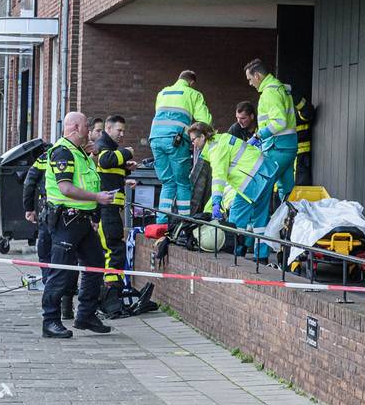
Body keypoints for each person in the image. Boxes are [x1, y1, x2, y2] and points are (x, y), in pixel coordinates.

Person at [41, 112, 116, 338]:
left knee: (95, 264)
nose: (90, 130)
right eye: (86, 126)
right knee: (61, 272)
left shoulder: (80, 154)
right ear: (75, 127)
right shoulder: (62, 152)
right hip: (65, 220)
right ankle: (50, 320)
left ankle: (86, 315)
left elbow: (87, 180)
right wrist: (97, 198)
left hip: (82, 221)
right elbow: (66, 189)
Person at [187, 121, 275, 260]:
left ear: (203, 137)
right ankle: (261, 257)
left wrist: (216, 202)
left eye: (193, 140)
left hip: (252, 180)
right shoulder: (222, 138)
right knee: (260, 219)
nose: (193, 144)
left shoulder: (215, 149)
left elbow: (218, 177)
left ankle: (236, 254)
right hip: (266, 171)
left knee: (234, 221)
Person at [148, 70, 210, 223]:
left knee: (167, 183)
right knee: (182, 183)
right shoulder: (193, 94)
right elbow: (204, 121)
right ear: (191, 83)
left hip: (155, 139)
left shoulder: (163, 93)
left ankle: (162, 223)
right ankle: (183, 223)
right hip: (176, 141)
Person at [24, 143, 75, 320]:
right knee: (68, 257)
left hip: (49, 213)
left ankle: (52, 293)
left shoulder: (44, 158)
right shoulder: (75, 157)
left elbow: (30, 181)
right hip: (72, 216)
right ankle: (66, 303)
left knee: (46, 253)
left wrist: (29, 208)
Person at [95, 115, 137, 317]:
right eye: (119, 130)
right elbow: (105, 160)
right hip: (107, 210)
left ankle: (112, 296)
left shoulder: (109, 146)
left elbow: (108, 170)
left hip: (112, 209)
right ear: (108, 128)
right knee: (113, 251)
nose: (122, 134)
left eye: (123, 131)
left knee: (114, 250)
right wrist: (126, 153)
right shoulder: (104, 144)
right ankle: (110, 299)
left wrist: (125, 169)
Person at [245, 59, 297, 207]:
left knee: (260, 187)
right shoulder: (280, 88)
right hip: (287, 147)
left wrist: (258, 136)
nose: (250, 83)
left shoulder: (269, 93)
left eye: (250, 79)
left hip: (276, 148)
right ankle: (288, 223)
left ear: (257, 76)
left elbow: (279, 122)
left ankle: (258, 227)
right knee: (287, 191)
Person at [293, 97, 316, 186]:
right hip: (289, 157)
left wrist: (294, 96)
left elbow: (308, 111)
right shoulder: (278, 114)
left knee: (300, 189)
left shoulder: (295, 111)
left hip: (301, 157)